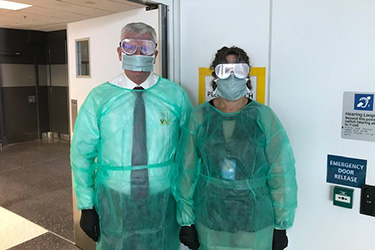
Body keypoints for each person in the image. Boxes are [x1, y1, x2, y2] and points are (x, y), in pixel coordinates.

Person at [71, 22, 192, 250]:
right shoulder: (99, 99)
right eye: (130, 47)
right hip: (114, 201)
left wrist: (187, 215)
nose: (138, 54)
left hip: (164, 200)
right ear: (119, 52)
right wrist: (86, 206)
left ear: (155, 54)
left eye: (145, 48)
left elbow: (188, 157)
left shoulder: (175, 96)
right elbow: (81, 155)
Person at [174, 46, 297, 250]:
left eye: (238, 69)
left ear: (247, 74)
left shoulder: (263, 117)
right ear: (215, 74)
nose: (232, 76)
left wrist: (281, 225)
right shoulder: (200, 117)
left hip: (255, 218)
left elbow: (281, 170)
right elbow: (185, 171)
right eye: (225, 69)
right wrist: (186, 220)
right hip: (211, 216)